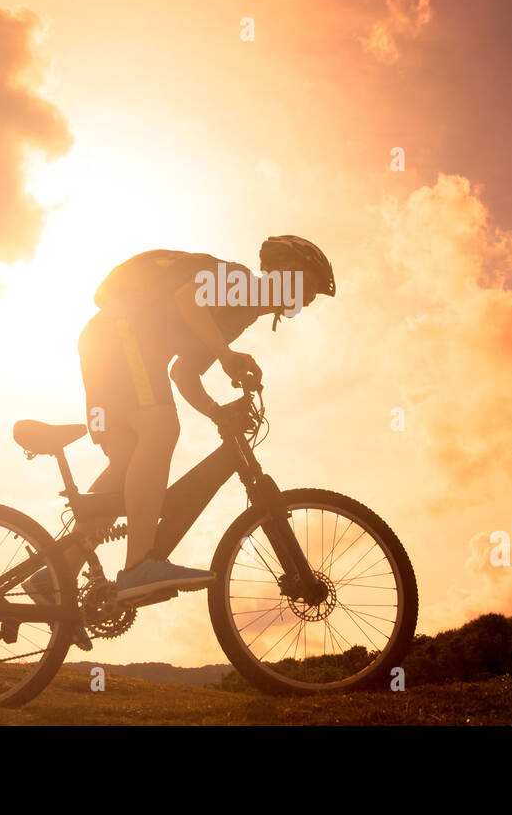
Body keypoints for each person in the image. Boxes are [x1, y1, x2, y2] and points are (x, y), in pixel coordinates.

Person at [26, 235, 335, 608]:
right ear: (286, 272)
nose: (307, 300)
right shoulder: (241, 281)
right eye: (309, 286)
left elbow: (184, 374)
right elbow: (187, 298)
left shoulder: (241, 316)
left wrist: (217, 411)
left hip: (109, 344)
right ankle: (139, 566)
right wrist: (226, 355)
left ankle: (56, 572)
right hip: (123, 338)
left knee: (127, 466)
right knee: (163, 429)